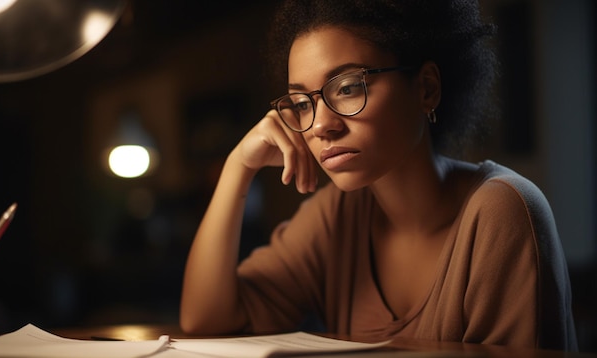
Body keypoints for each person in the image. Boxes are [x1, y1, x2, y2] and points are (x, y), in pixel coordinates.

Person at [180, 0, 577, 351]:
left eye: (349, 87)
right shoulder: (335, 217)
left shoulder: (499, 211)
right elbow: (205, 320)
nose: (321, 126)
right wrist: (238, 167)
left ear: (426, 88)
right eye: (302, 103)